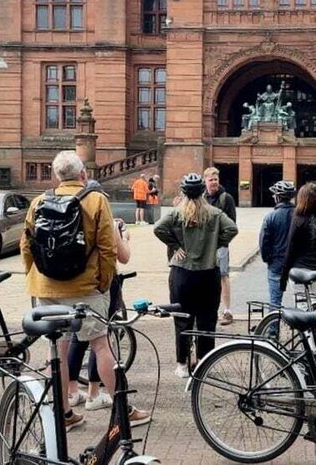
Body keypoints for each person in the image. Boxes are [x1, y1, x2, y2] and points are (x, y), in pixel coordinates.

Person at [20, 151, 149, 431]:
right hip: (86, 287)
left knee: (59, 348)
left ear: (56, 176)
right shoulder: (96, 200)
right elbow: (107, 248)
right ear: (83, 175)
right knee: (101, 346)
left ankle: (64, 413)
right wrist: (103, 282)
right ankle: (123, 410)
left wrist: (37, 276)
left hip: (46, 287)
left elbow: (26, 245)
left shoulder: (39, 201)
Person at [153, 173, 238, 379]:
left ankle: (182, 364)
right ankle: (203, 362)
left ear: (183, 192)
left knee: (182, 320)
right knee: (207, 320)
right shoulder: (214, 213)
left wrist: (175, 246)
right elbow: (232, 229)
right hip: (208, 273)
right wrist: (215, 244)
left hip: (182, 273)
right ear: (203, 192)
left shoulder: (177, 213)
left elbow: (158, 228)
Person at [66, 179, 133, 411]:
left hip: (72, 284)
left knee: (74, 338)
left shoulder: (69, 215)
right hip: (100, 285)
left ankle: (72, 392)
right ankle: (95, 393)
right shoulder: (104, 217)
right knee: (100, 340)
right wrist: (124, 238)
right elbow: (123, 257)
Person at [281, 182, 316, 297]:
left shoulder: (298, 218)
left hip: (299, 271)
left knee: (302, 310)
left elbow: (290, 249)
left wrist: (284, 276)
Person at [203, 167, 237, 326]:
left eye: (216, 179)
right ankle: (210, 310)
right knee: (207, 277)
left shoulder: (226, 199)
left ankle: (227, 311)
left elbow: (232, 225)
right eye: (211, 180)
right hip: (204, 245)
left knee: (223, 275)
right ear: (205, 181)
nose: (214, 182)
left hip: (220, 245)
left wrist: (222, 242)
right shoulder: (201, 198)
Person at [259, 181, 296, 311]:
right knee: (301, 300)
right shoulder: (300, 216)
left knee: (275, 301)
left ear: (278, 197)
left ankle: (273, 330)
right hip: (297, 263)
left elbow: (264, 242)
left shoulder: (270, 217)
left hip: (276, 263)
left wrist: (267, 259)